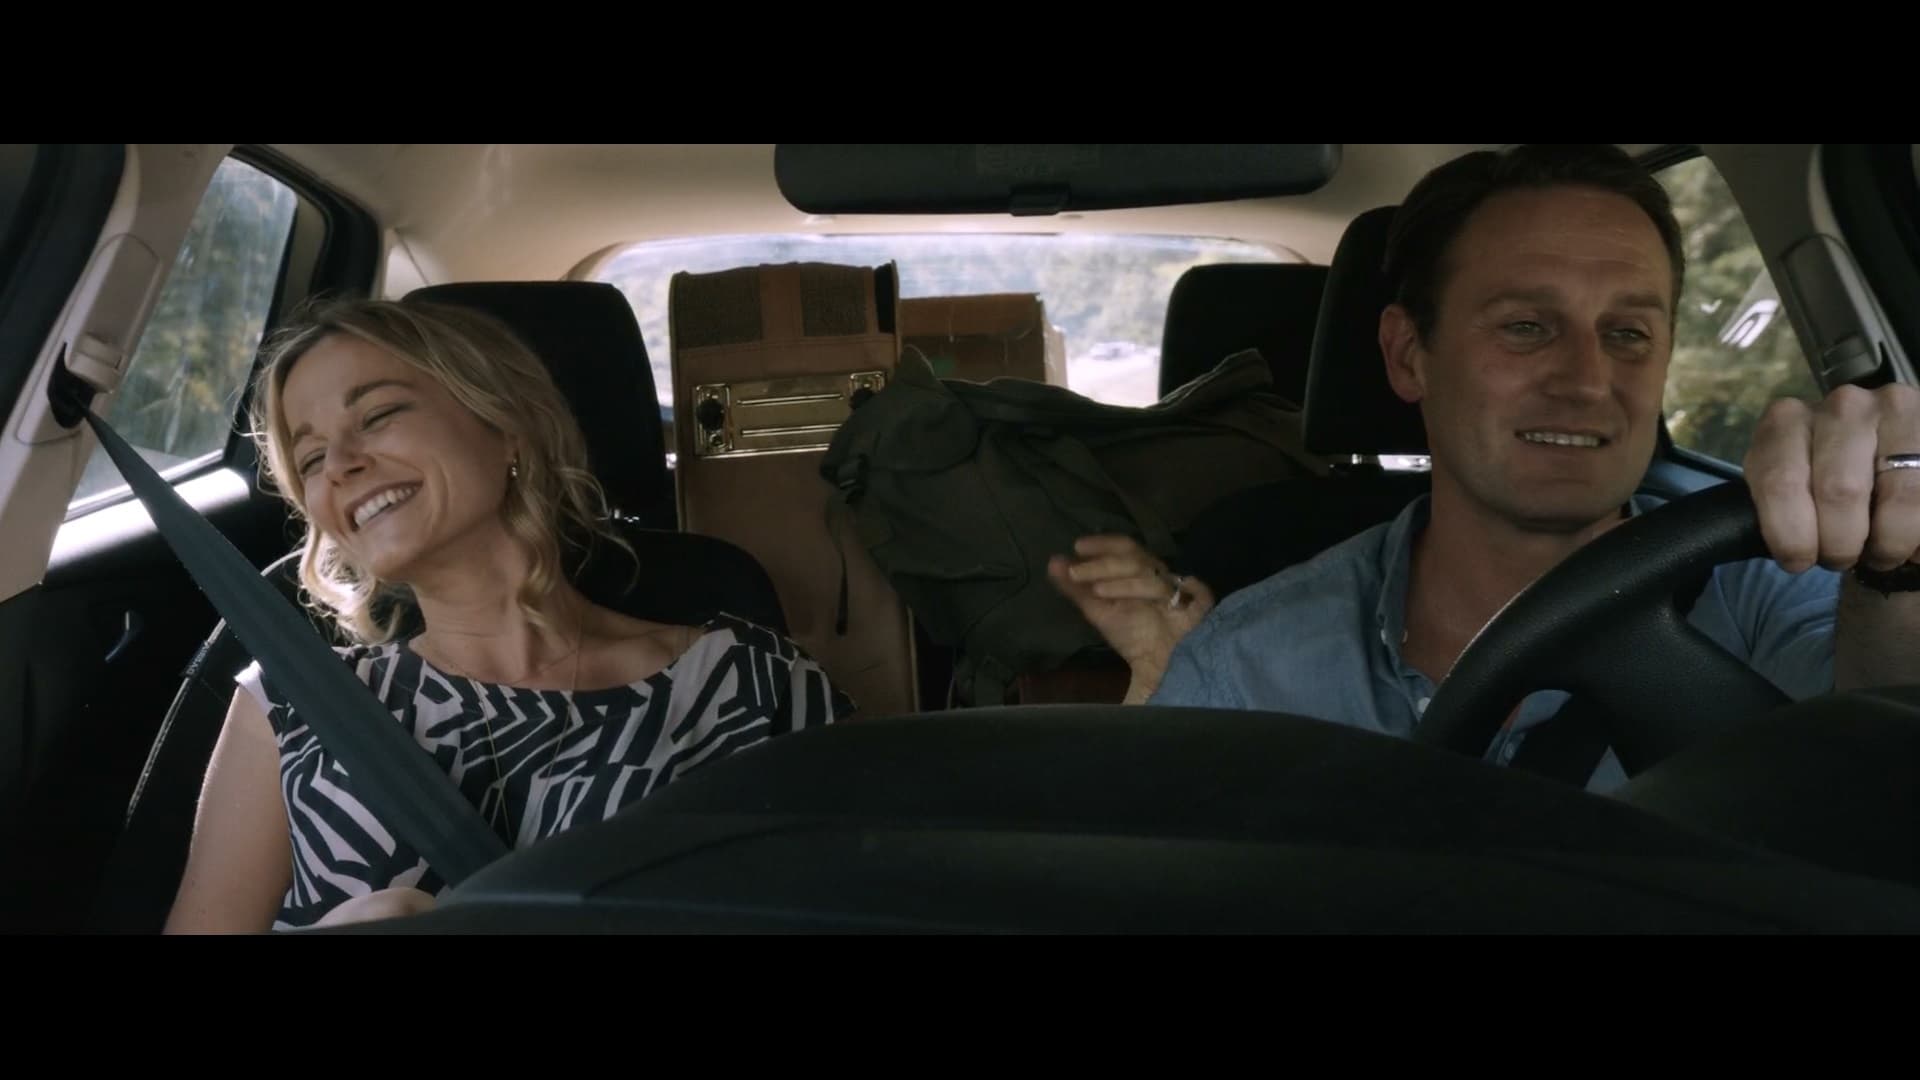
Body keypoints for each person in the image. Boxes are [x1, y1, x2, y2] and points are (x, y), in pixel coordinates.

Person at [1050, 143, 1920, 792]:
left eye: (1627, 333)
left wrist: (1901, 561)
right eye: (1526, 327)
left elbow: (1885, 760)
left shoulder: (1773, 597)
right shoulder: (1247, 668)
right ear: (1408, 356)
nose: (1588, 381)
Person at [164, 297, 852, 932]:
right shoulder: (291, 705)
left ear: (505, 426)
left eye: (377, 416)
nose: (340, 464)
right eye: (311, 457)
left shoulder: (756, 687)